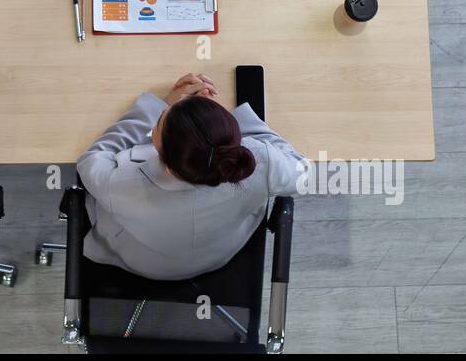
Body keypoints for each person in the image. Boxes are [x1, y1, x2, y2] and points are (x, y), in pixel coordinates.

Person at [77, 72, 304, 280]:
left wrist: (158, 106)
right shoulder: (260, 163)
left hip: (143, 262)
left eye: (159, 121)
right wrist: (217, 126)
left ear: (166, 162)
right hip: (220, 254)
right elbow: (302, 172)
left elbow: (92, 158)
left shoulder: (121, 182)